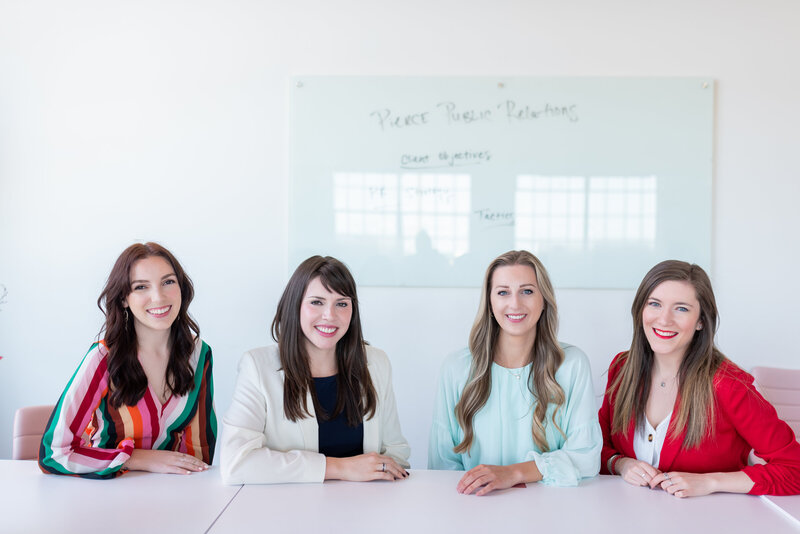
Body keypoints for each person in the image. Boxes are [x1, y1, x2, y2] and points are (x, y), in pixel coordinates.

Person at [599, 260, 800, 496]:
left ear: (701, 321)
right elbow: (595, 448)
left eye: (681, 308)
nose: (664, 319)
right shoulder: (622, 369)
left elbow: (794, 469)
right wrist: (621, 464)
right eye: (654, 304)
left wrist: (711, 482)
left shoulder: (728, 385)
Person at [220, 256, 410, 484]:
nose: (330, 315)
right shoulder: (258, 366)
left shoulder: (376, 363)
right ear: (295, 305)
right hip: (290, 508)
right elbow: (235, 463)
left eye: (341, 303)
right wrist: (340, 467)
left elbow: (395, 454)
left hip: (363, 506)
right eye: (317, 302)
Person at [428, 250, 601, 495]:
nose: (515, 304)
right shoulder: (457, 368)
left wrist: (512, 473)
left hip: (551, 505)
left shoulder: (572, 364)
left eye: (527, 291)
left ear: (544, 300)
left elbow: (586, 458)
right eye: (503, 292)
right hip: (475, 505)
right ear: (490, 302)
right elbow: (442, 465)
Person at [39, 242, 216, 479]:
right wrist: (138, 458)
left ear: (181, 288)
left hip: (173, 495)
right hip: (108, 494)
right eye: (141, 287)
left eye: (168, 282)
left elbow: (199, 456)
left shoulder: (198, 354)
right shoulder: (103, 358)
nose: (158, 297)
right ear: (124, 298)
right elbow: (53, 453)